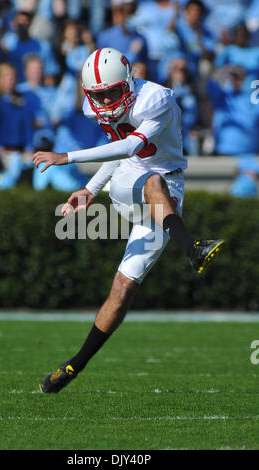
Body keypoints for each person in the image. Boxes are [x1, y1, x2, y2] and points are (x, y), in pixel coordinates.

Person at [32, 48, 225, 393]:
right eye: (99, 94)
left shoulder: (157, 99)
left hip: (165, 192)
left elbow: (129, 146)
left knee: (123, 289)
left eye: (111, 91)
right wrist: (91, 188)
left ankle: (74, 365)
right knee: (152, 181)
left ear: (130, 81)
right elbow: (121, 150)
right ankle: (193, 247)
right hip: (129, 184)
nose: (105, 101)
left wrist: (68, 157)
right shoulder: (101, 105)